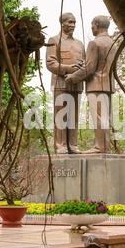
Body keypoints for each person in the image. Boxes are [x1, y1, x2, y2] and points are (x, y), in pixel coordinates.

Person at [65, 15, 116, 153]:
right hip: (108, 86)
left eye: (92, 25)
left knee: (99, 117)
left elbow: (89, 68)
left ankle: (100, 147)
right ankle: (104, 146)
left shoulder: (94, 43)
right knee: (105, 117)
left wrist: (72, 77)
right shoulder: (112, 43)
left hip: (96, 85)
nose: (91, 28)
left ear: (97, 25)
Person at [46, 12, 85, 154]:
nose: (73, 25)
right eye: (70, 22)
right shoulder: (54, 40)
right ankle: (60, 145)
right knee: (60, 115)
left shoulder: (80, 44)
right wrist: (69, 68)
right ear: (62, 23)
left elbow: (85, 63)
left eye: (74, 22)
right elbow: (50, 63)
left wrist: (80, 70)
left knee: (73, 116)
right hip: (60, 83)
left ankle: (72, 145)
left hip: (76, 84)